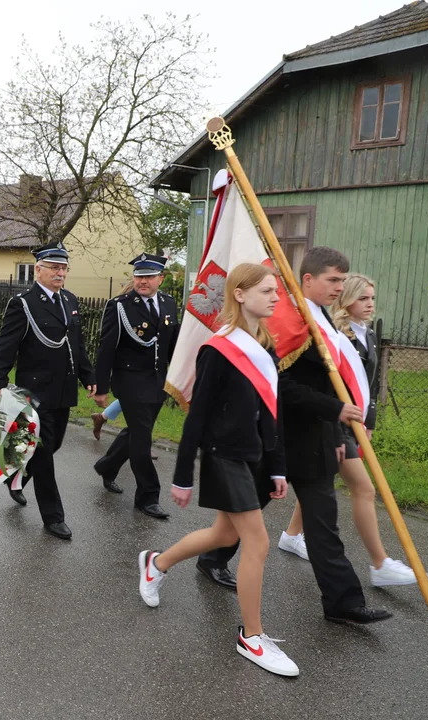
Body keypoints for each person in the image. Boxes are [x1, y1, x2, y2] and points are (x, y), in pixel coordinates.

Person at [137, 263, 297, 677]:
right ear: (240, 294)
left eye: (276, 291)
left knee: (224, 534)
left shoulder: (267, 347)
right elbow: (198, 415)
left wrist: (277, 467)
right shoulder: (218, 348)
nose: (276, 297)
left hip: (254, 455)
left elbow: (270, 414)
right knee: (257, 544)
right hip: (223, 454)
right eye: (266, 290)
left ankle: (157, 563)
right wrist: (183, 473)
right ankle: (252, 636)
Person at [275, 274, 417, 587]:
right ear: (346, 300)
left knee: (319, 480)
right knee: (364, 489)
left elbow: (370, 384)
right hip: (335, 423)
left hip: (354, 423)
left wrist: (369, 422)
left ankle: (292, 535)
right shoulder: (338, 336)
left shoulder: (368, 334)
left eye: (372, 298)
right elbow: (332, 389)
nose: (370, 305)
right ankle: (379, 563)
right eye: (362, 298)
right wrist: (339, 432)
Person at [277, 247, 392, 625]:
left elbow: (332, 386)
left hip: (316, 441)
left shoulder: (324, 319)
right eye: (333, 280)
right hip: (278, 442)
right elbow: (281, 385)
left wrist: (339, 435)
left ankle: (343, 602)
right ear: (308, 279)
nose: (339, 287)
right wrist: (335, 412)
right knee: (237, 522)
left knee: (324, 525)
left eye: (343, 280)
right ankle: (210, 560)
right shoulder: (289, 319)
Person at [0, 242, 96, 540]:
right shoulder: (23, 303)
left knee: (53, 444)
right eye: (55, 268)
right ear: (39, 270)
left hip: (62, 388)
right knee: (45, 453)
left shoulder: (69, 300)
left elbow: (77, 345)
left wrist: (88, 377)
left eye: (64, 268)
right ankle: (53, 517)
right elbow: (6, 345)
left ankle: (15, 476)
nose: (60, 273)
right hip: (33, 389)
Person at [92, 253, 179, 519]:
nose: (143, 281)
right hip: (129, 381)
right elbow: (106, 347)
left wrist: (179, 377)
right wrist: (102, 386)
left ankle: (107, 466)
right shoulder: (120, 306)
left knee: (137, 432)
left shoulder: (168, 303)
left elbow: (172, 344)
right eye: (139, 276)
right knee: (142, 438)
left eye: (149, 276)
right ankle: (148, 497)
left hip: (157, 381)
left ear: (160, 279)